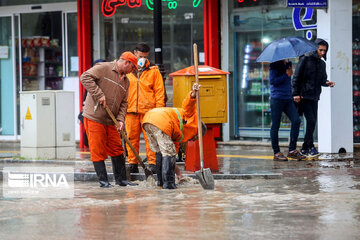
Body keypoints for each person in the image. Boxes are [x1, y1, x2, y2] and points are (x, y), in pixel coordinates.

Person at [80, 51, 138, 188]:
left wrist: (121, 120)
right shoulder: (104, 68)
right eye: (133, 68)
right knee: (97, 149)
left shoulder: (126, 81)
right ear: (126, 62)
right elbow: (85, 77)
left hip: (111, 120)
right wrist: (99, 94)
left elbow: (124, 103)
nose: (133, 71)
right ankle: (104, 182)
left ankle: (122, 180)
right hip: (95, 116)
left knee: (117, 149)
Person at [142, 83, 205, 189]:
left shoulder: (176, 133)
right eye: (196, 137)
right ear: (198, 133)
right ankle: (169, 184)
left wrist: (179, 174)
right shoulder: (191, 118)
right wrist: (193, 94)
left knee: (161, 152)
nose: (193, 140)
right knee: (168, 153)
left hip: (148, 120)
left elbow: (172, 155)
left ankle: (161, 183)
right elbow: (188, 104)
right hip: (161, 122)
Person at [125, 43, 165, 174]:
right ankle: (132, 163)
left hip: (149, 112)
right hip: (130, 110)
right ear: (135, 53)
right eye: (141, 56)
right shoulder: (127, 69)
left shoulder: (153, 70)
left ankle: (152, 163)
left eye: (145, 56)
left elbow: (159, 91)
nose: (142, 58)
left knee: (150, 138)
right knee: (131, 138)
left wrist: (159, 111)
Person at [292, 38, 336, 157]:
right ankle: (309, 146)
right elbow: (296, 77)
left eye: (324, 51)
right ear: (315, 48)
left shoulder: (322, 64)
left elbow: (322, 80)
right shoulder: (305, 59)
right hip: (303, 96)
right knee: (310, 120)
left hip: (315, 96)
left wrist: (327, 83)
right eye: (320, 50)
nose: (322, 53)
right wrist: (295, 93)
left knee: (312, 122)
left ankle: (306, 147)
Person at [269, 60, 304, 161]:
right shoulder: (274, 65)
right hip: (277, 99)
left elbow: (289, 81)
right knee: (275, 125)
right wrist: (286, 74)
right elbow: (273, 81)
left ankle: (292, 150)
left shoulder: (288, 64)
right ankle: (276, 152)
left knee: (296, 121)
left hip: (288, 98)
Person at [78, 59, 105, 148]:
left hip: (103, 113)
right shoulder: (91, 82)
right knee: (89, 140)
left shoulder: (106, 81)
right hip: (91, 113)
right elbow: (86, 98)